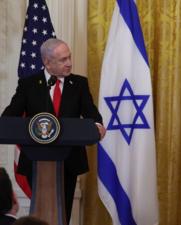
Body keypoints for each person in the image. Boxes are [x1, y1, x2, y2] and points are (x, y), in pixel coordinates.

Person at [1, 38, 106, 223]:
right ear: (47, 62)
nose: (69, 63)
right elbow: (10, 116)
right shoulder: (29, 84)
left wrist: (98, 126)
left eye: (69, 57)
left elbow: (92, 115)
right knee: (40, 213)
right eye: (63, 59)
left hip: (69, 160)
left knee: (63, 213)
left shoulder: (79, 84)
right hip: (35, 159)